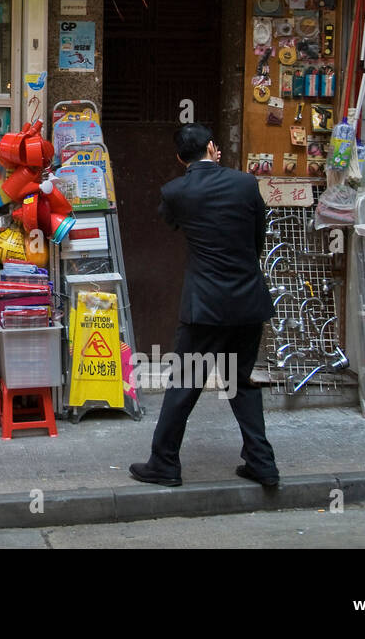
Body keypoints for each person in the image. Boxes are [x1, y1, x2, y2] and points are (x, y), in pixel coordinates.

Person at [129, 123, 280, 488]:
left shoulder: (176, 191)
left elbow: (174, 223)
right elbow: (258, 237)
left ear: (180, 158)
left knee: (184, 383)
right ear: (214, 147)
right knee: (240, 382)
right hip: (247, 301)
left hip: (205, 308)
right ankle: (262, 463)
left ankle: (164, 463)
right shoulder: (246, 184)